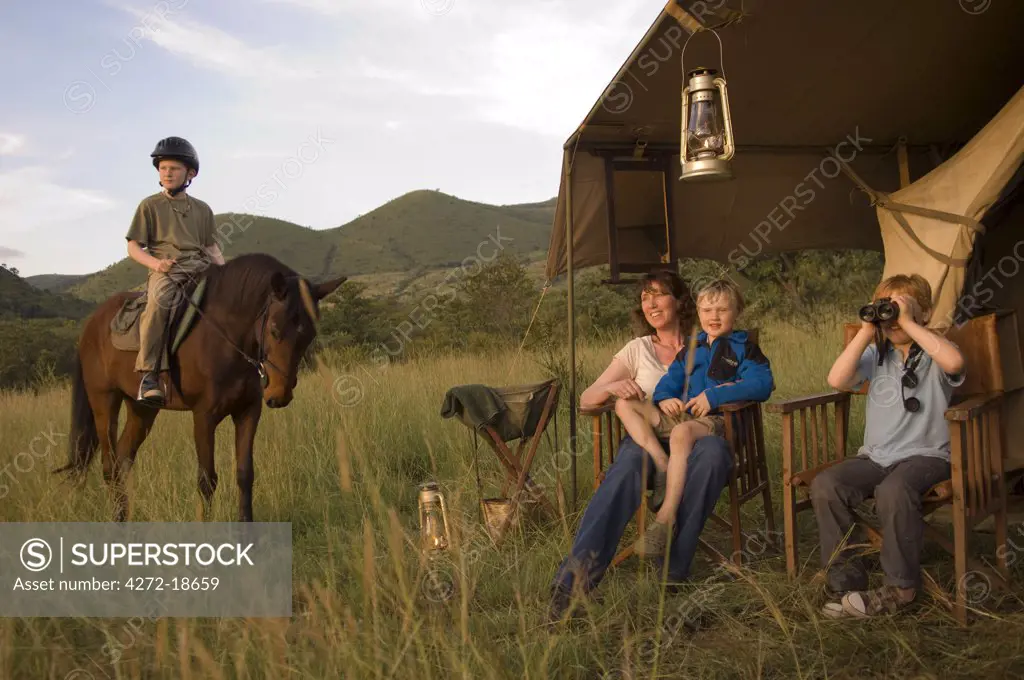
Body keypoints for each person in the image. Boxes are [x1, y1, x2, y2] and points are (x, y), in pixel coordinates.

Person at [548, 270, 735, 622]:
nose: (650, 303)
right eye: (644, 297)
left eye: (659, 294)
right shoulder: (637, 350)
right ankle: (571, 586)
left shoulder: (710, 343)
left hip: (698, 435)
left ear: (680, 301)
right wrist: (613, 388)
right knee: (626, 469)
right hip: (646, 439)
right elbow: (588, 399)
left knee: (713, 455)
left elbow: (746, 378)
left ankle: (673, 572)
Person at [812, 273, 964, 618]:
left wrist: (910, 324)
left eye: (901, 308)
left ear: (923, 313)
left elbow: (955, 363)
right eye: (887, 309)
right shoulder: (876, 354)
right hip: (877, 456)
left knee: (893, 490)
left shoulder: (935, 350)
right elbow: (836, 380)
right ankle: (847, 584)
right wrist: (867, 329)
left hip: (927, 456)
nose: (892, 319)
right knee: (826, 485)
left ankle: (901, 588)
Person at [619, 279, 774, 559]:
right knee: (625, 405)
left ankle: (665, 519)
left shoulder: (744, 348)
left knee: (680, 434)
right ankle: (662, 462)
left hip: (718, 423)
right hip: (683, 418)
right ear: (698, 313)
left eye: (722, 310)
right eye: (707, 310)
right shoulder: (692, 349)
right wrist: (665, 398)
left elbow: (762, 384)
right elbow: (669, 381)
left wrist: (713, 397)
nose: (714, 317)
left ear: (736, 311)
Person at [126, 137, 225, 405]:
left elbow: (211, 246)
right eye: (163, 168)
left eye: (174, 168)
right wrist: (156, 264)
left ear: (190, 173)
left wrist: (226, 273)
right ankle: (149, 376)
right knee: (158, 304)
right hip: (166, 270)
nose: (167, 173)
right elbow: (134, 247)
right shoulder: (149, 206)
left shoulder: (203, 209)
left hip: (201, 267)